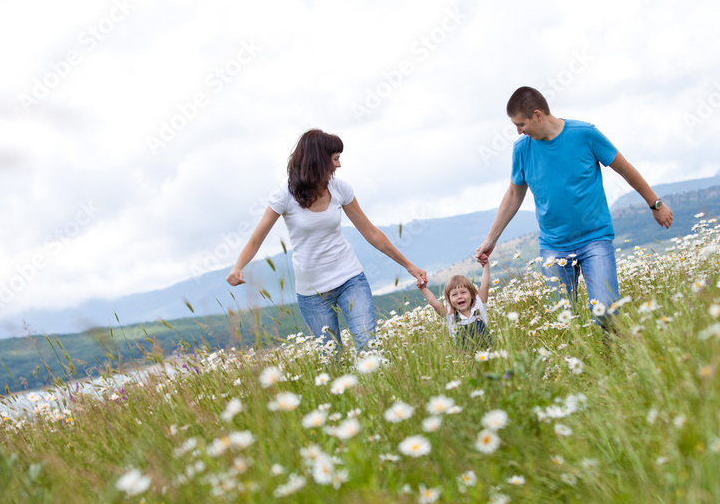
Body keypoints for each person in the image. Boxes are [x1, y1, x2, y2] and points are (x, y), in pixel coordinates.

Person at [475, 87, 674, 324]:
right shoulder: (522, 149)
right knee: (563, 323)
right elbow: (513, 195)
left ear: (538, 115)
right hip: (553, 246)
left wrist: (655, 203)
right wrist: (491, 238)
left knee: (607, 314)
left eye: (521, 124)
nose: (518, 132)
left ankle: (612, 355)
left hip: (594, 239)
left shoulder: (585, 134)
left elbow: (624, 169)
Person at [227, 128, 427, 353]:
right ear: (319, 160)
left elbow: (371, 232)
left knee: (367, 344)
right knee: (331, 357)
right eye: (335, 159)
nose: (339, 165)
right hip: (312, 293)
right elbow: (256, 239)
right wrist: (238, 267)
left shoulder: (340, 188)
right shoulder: (284, 196)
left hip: (350, 279)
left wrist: (409, 266)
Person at [418, 255, 492, 352]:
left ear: (472, 294)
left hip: (488, 352)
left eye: (463, 292)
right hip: (465, 358)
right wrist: (423, 288)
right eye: (454, 295)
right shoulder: (449, 314)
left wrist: (486, 265)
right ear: (449, 299)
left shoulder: (479, 304)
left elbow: (485, 284)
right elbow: (434, 303)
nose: (459, 297)